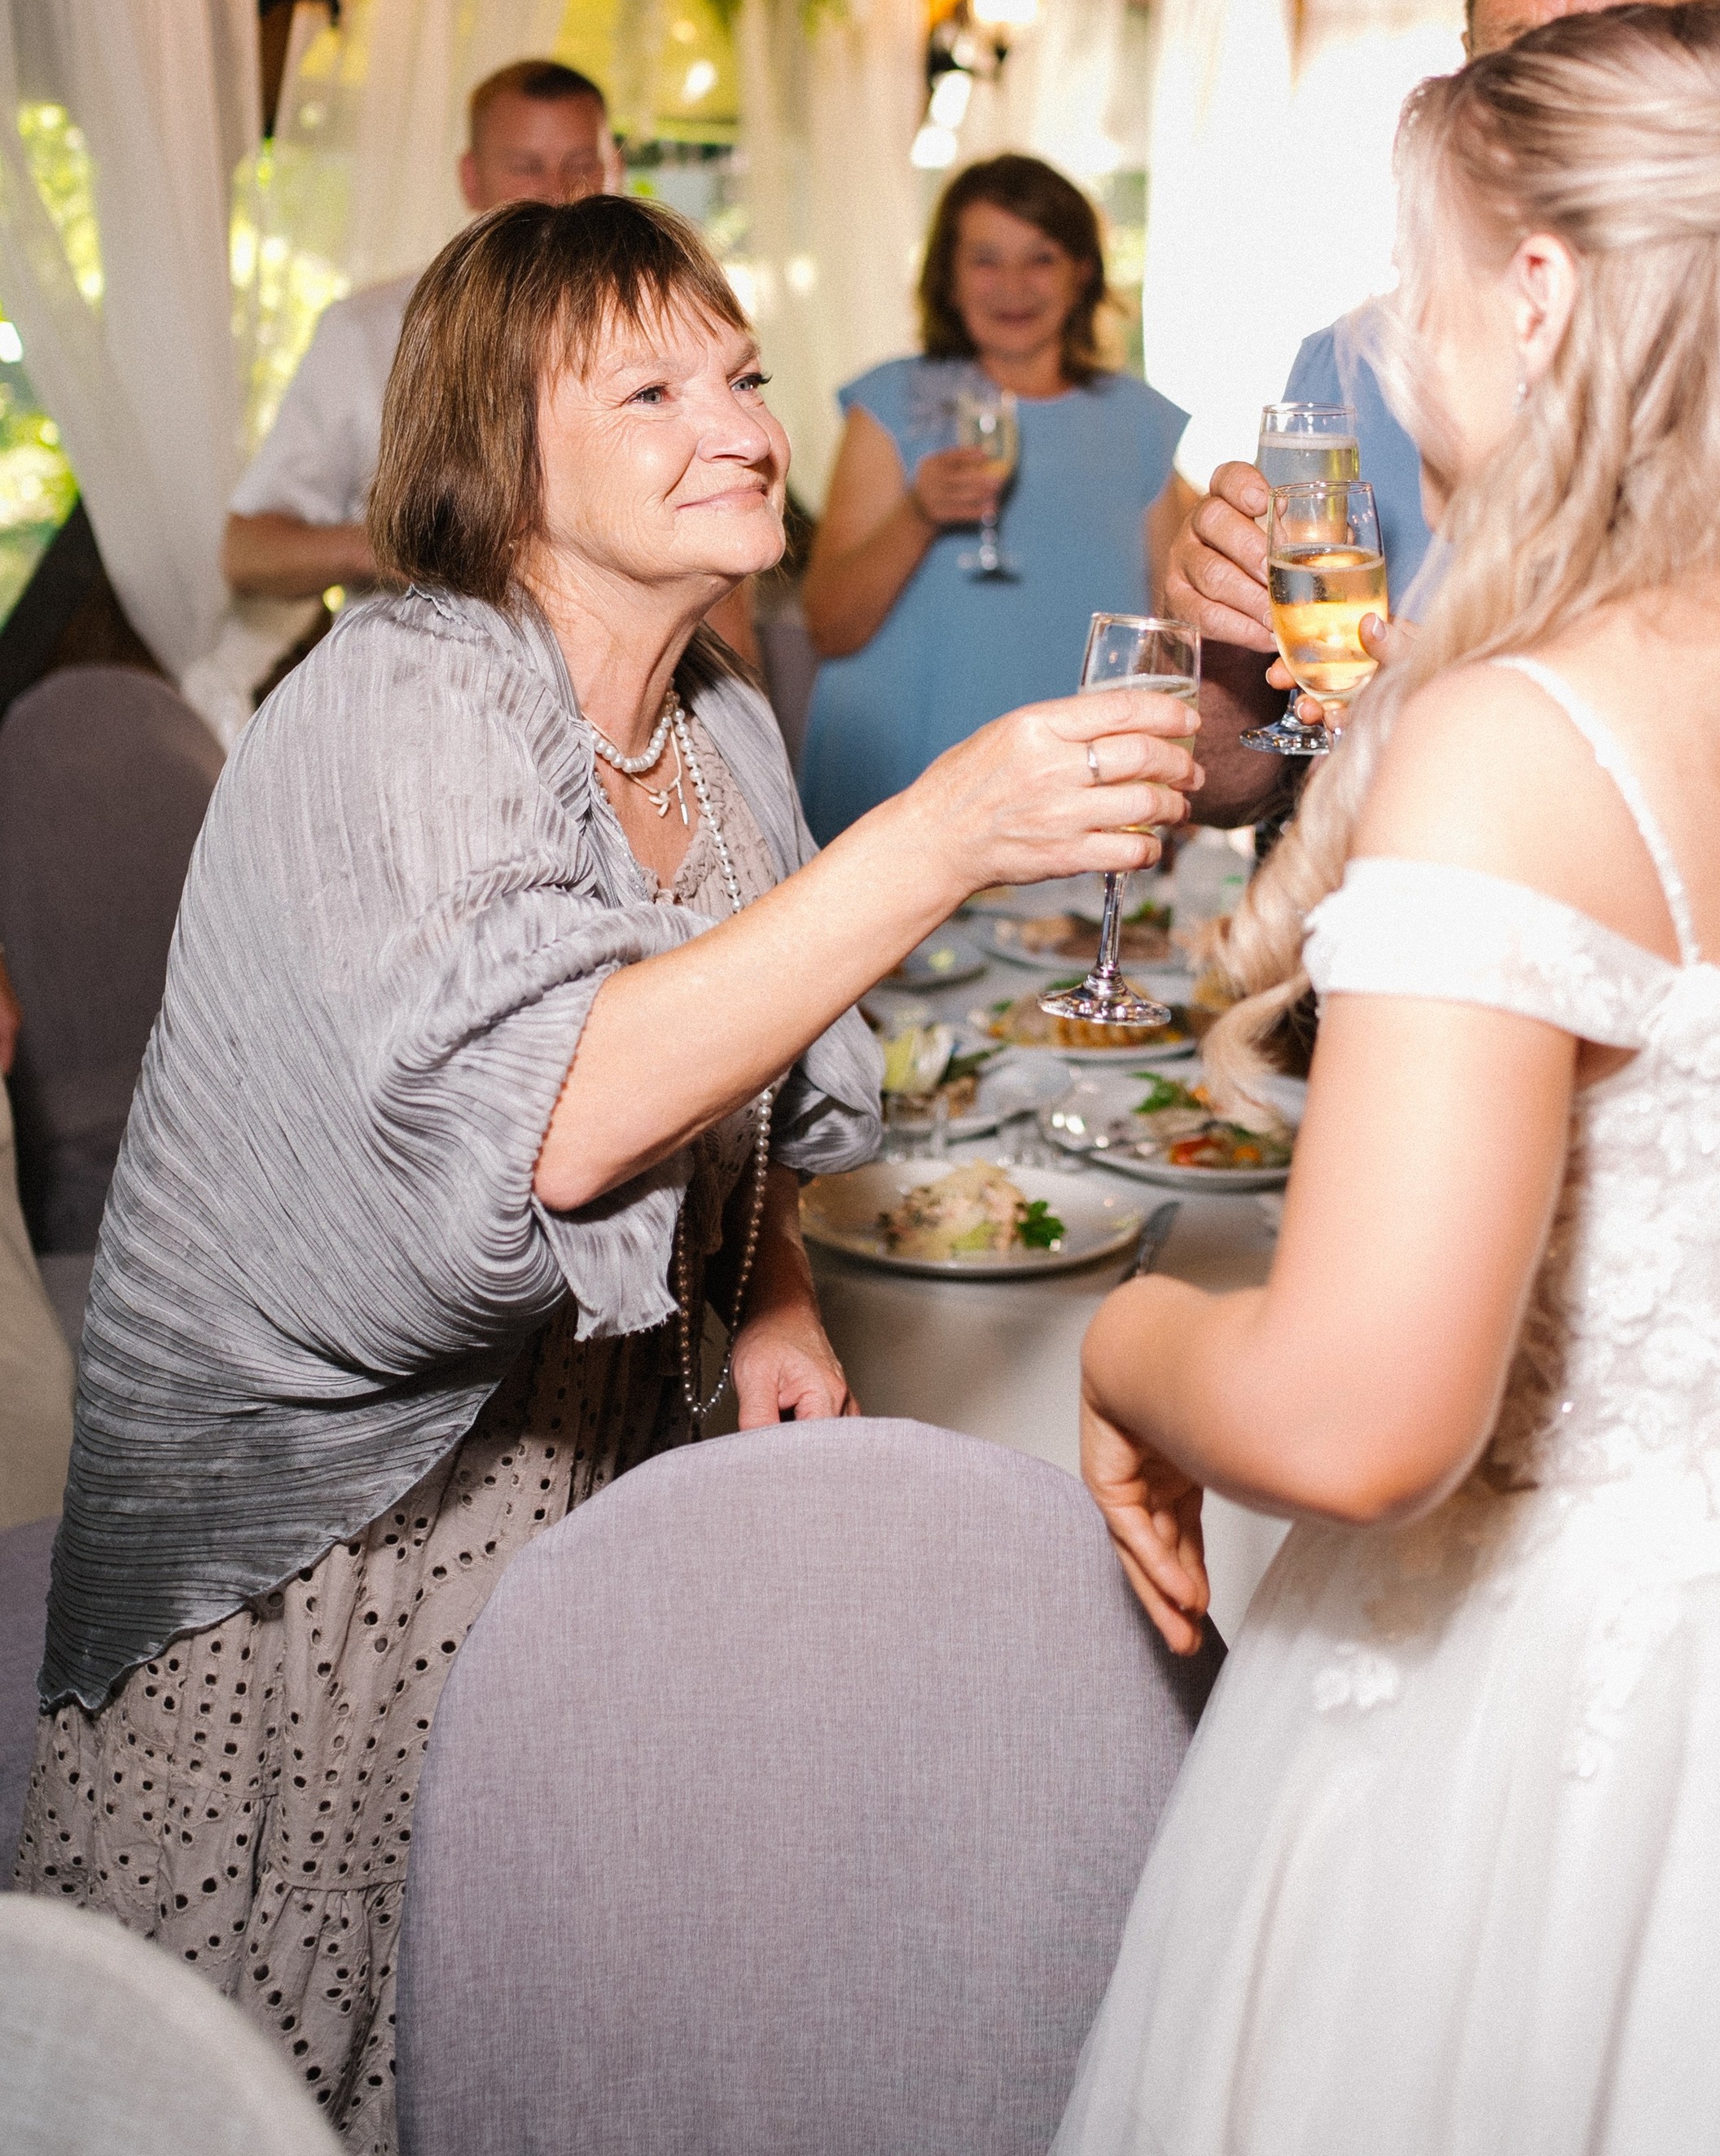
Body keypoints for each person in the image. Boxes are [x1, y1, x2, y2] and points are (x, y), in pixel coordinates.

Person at [17, 197, 1200, 2151]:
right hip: (336, 1538)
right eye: (648, 388)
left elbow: (726, 1073)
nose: (735, 422)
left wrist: (779, 1292)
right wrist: (932, 835)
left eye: (733, 372)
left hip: (582, 1456)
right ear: (502, 456)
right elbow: (552, 1115)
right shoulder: (410, 690)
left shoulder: (712, 708)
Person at [1055, 5, 1720, 2151]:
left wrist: (1134, 1342)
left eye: (1409, 277)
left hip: (1561, 1771)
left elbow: (1362, 1415)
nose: (1388, 335)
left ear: (1534, 292)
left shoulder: (1526, 739)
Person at [1171, 0, 1720, 819]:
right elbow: (1234, 786)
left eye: (1626, 43)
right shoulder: (1353, 362)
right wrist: (1221, 638)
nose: (1560, 103)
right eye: (1519, 51)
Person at [797, 152, 1196, 842]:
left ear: (1082, 273)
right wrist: (919, 515)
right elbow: (830, 627)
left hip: (1072, 793)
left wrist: (1167, 774)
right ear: (947, 279)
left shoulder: (1140, 421)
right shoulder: (891, 403)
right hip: (901, 798)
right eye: (985, 258)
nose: (1013, 285)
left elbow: (1173, 640)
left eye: (1040, 257)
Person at [220, 59, 617, 607]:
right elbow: (246, 553)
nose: (556, 195)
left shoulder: (662, 335)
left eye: (579, 165)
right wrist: (388, 546)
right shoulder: (365, 333)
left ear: (612, 170)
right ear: (470, 179)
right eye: (526, 167)